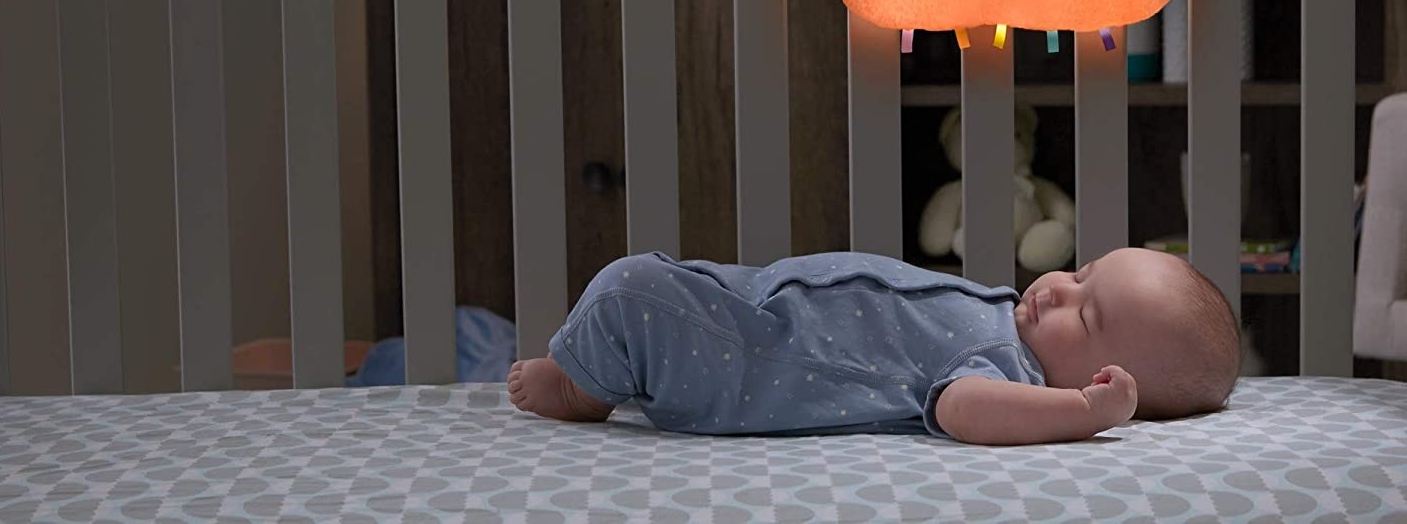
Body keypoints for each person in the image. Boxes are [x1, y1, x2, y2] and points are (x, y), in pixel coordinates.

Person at [507, 247, 1239, 445]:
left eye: (1086, 316)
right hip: (763, 299)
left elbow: (961, 411)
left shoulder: (1009, 375)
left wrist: (1083, 412)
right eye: (1081, 274)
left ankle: (580, 388)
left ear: (1104, 377)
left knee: (629, 288)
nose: (1058, 293)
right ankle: (606, 367)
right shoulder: (1006, 318)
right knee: (666, 281)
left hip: (755, 358)